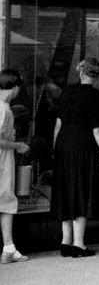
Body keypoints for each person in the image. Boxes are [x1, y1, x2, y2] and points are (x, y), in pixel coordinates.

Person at [51, 58, 99, 257]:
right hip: (82, 144)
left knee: (66, 189)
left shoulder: (67, 91)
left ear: (80, 72)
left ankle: (65, 241)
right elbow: (98, 130)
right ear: (96, 75)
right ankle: (78, 243)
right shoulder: (95, 96)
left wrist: (55, 148)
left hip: (63, 143)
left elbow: (58, 124)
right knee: (81, 189)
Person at [0, 70, 31, 264]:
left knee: (5, 201)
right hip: (3, 159)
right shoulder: (4, 110)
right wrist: (18, 145)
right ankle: (8, 247)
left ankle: (9, 247)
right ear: (16, 88)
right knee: (6, 199)